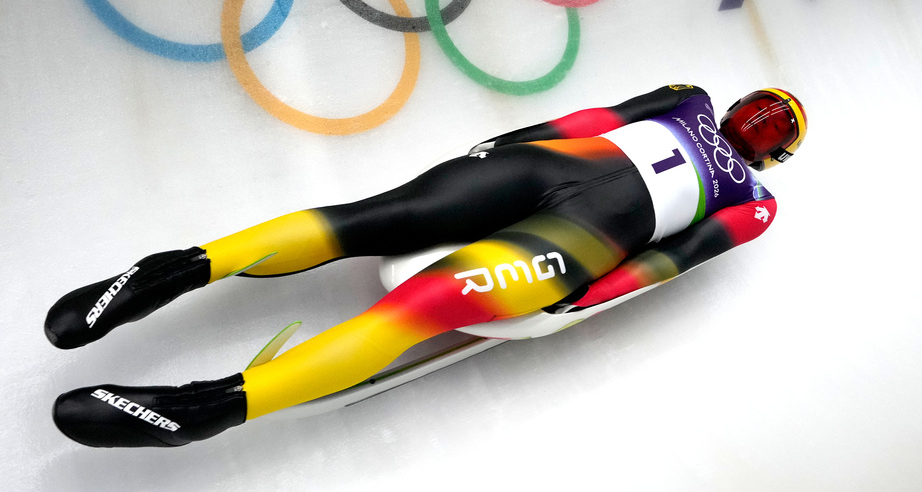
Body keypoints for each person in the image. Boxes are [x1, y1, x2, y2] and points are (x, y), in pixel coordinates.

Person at [46, 84, 807, 448]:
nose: (757, 130)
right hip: (583, 235)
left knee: (369, 225)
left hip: (534, 170)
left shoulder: (691, 98)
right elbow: (670, 260)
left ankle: (172, 274)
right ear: (772, 151)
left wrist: (500, 146)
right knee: (411, 300)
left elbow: (588, 124)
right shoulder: (757, 198)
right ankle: (210, 403)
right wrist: (584, 301)